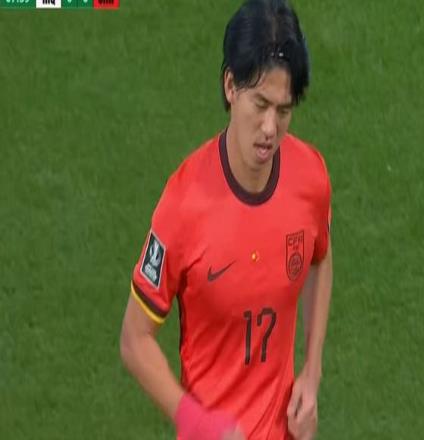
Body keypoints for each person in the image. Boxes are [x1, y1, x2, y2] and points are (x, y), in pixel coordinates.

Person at [120, 0, 333, 439]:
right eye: (260, 104)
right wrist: (194, 420)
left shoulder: (310, 177)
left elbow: (320, 257)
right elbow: (134, 339)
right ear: (231, 86)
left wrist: (312, 373)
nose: (270, 128)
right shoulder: (184, 204)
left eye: (284, 110)